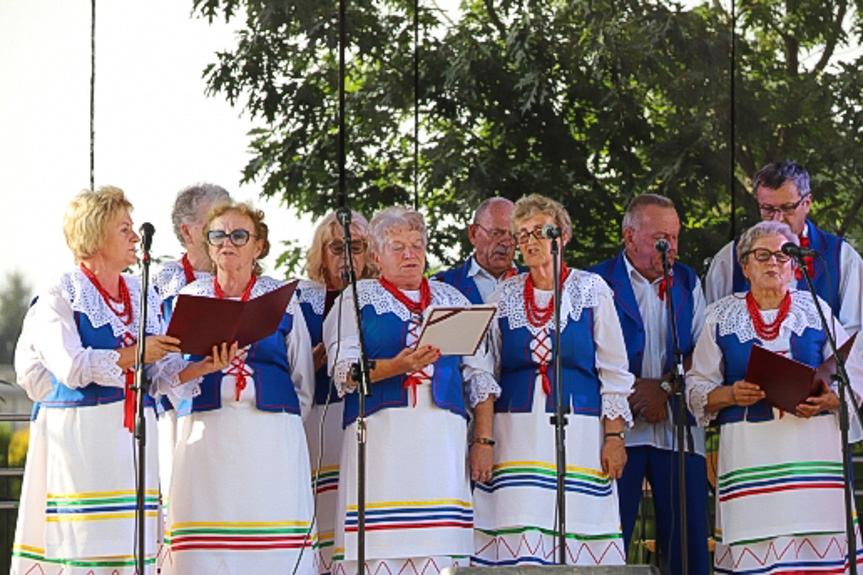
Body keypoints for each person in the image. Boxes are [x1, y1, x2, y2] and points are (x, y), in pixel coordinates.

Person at [11, 186, 182, 574]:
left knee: (132, 546)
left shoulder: (140, 296)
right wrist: (138, 353)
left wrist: (201, 365)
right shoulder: (60, 295)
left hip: (135, 441)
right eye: (125, 229)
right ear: (95, 235)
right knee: (85, 547)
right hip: (82, 442)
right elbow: (69, 367)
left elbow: (154, 375)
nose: (136, 237)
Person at [322, 206, 497, 575]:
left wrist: (483, 442)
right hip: (380, 444)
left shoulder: (452, 299)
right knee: (378, 551)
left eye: (417, 245)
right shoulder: (356, 299)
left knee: (441, 554)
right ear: (375, 256)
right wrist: (397, 366)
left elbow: (479, 377)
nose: (410, 255)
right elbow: (344, 370)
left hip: (442, 446)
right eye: (398, 247)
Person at [687, 221, 863, 573]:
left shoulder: (816, 309)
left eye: (784, 256)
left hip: (814, 458)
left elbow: (854, 374)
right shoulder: (720, 317)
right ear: (745, 266)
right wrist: (730, 393)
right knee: (758, 554)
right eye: (762, 255)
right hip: (750, 457)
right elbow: (697, 388)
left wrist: (833, 399)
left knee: (818, 554)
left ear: (795, 266)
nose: (773, 263)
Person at [471, 194, 634, 566]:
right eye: (522, 233)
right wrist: (483, 440)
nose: (530, 240)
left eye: (541, 231)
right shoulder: (504, 296)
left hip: (580, 435)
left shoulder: (591, 289)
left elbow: (614, 370)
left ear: (562, 237)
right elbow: (483, 371)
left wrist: (614, 437)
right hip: (515, 437)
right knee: (521, 539)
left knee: (577, 537)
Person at [156, 201, 316, 574]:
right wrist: (204, 367)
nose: (228, 243)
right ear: (209, 246)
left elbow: (302, 377)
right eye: (218, 235)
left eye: (240, 235)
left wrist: (284, 424)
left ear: (258, 246)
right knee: (205, 542)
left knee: (271, 539)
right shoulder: (186, 298)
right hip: (206, 435)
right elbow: (164, 375)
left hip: (271, 436)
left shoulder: (283, 299)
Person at [589, 194, 709, 574]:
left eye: (674, 238)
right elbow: (584, 353)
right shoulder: (595, 282)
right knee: (609, 538)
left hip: (678, 431)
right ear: (629, 237)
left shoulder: (687, 280)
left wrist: (664, 389)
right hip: (615, 435)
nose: (670, 248)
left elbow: (704, 349)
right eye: (661, 239)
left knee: (686, 544)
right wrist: (629, 394)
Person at [296, 210, 376, 575]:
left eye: (356, 247)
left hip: (367, 423)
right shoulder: (300, 298)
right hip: (317, 421)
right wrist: (316, 360)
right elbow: (286, 369)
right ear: (321, 255)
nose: (347, 258)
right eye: (336, 249)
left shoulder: (379, 296)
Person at [705, 161, 863, 335]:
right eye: (768, 209)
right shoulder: (729, 259)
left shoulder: (841, 257)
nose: (777, 219)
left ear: (807, 203)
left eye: (787, 208)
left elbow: (855, 333)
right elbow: (713, 329)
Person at [151, 182, 231, 519]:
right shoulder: (162, 283)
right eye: (215, 219)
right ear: (187, 231)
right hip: (179, 417)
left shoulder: (244, 277)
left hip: (236, 414)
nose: (226, 230)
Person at [434, 197, 519, 303]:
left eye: (513, 235)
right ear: (473, 233)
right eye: (496, 233)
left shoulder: (534, 282)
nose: (506, 243)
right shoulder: (441, 287)